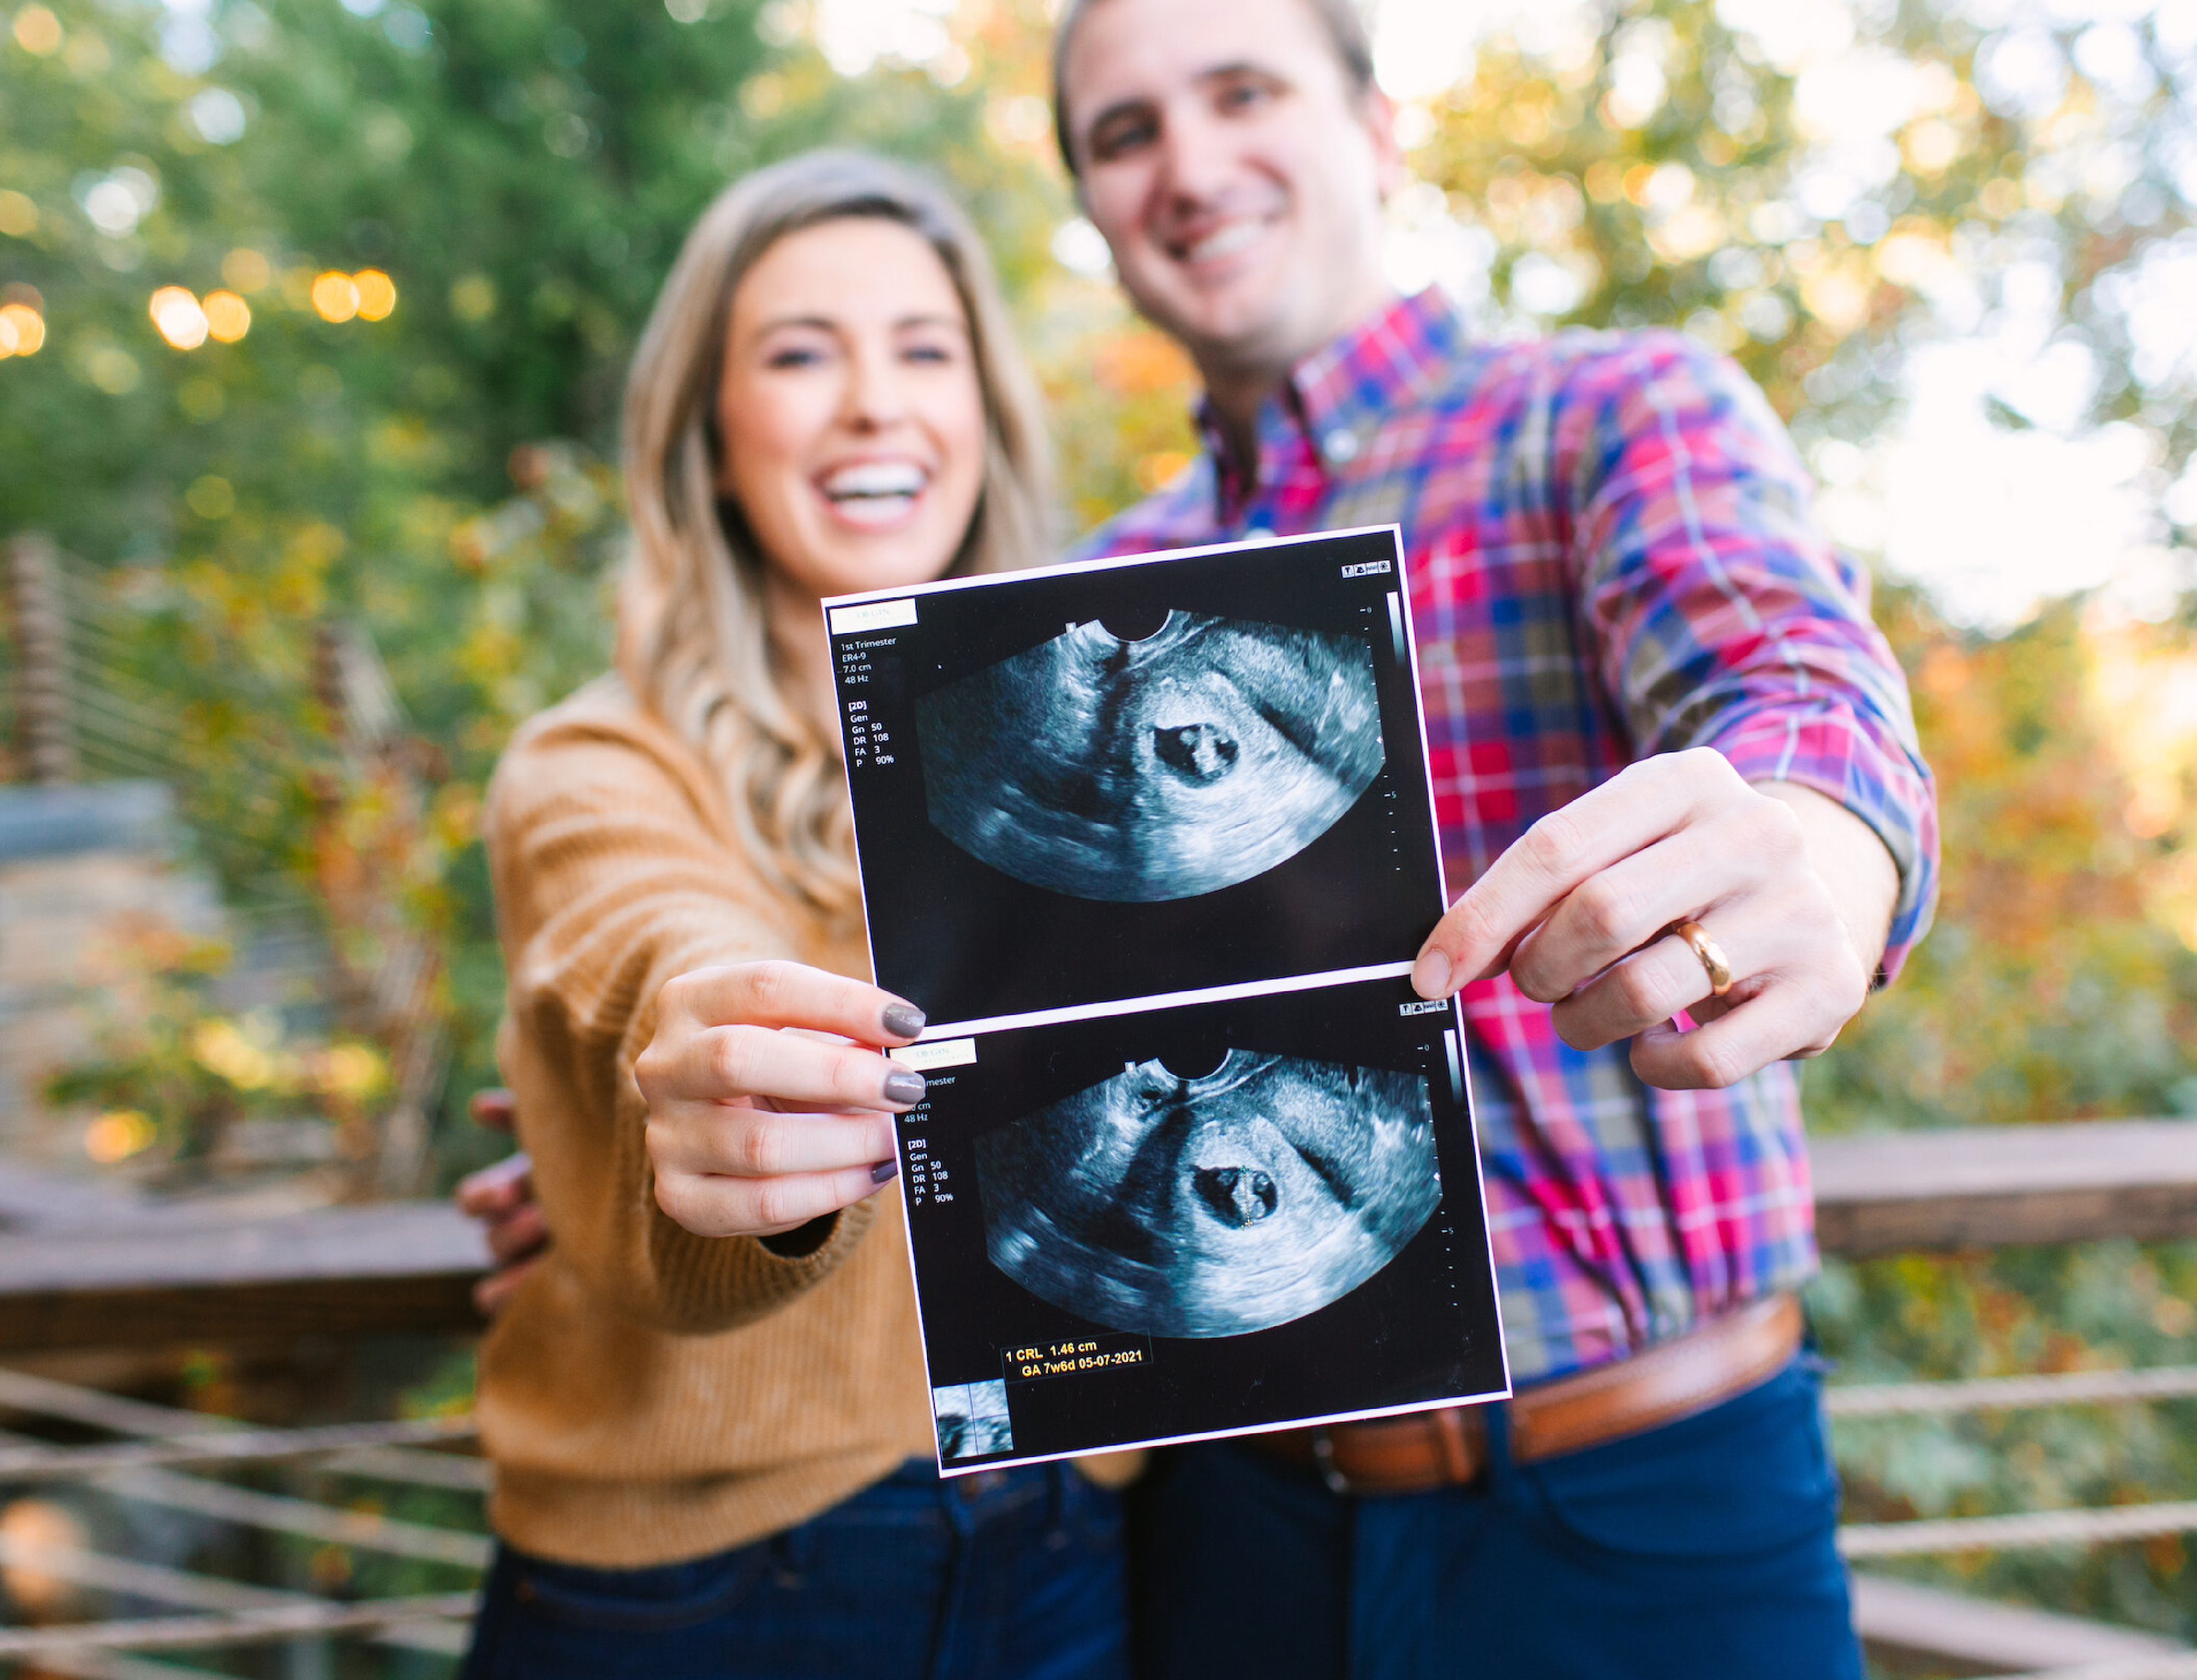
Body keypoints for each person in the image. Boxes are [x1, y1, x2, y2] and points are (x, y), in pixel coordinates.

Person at [1043, 0, 1936, 1675]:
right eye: (1125, 132)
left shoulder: (1607, 415)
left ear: (1378, 132)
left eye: (1243, 92)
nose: (1188, 163)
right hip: (1227, 1528)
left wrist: (1823, 848)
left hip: (1643, 1520)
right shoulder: (1089, 601)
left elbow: (1790, 676)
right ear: (1095, 211)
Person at [456, 149, 1129, 1680]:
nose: (875, 405)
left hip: (1068, 1542)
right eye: (800, 354)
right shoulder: (599, 761)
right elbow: (633, 939)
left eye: (923, 349)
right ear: (709, 434)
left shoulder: (1106, 760)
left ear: (984, 411)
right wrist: (705, 1054)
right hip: (702, 1594)